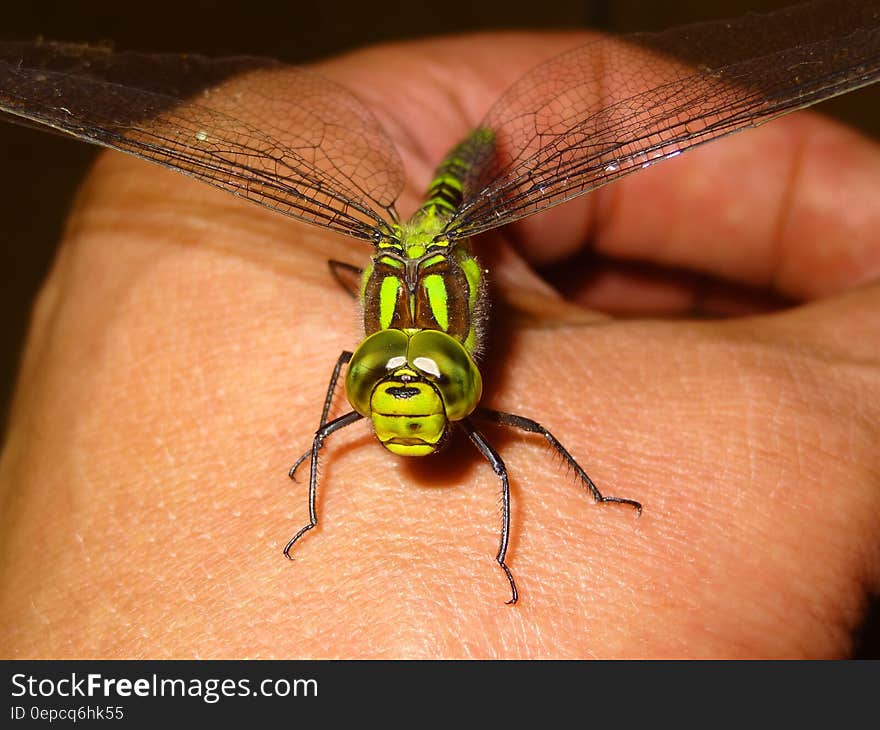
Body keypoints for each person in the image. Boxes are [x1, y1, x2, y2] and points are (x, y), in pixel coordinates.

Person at [0, 32, 878, 658]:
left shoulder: (462, 329)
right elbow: (351, 366)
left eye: (434, 381)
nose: (404, 404)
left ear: (468, 354)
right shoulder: (369, 366)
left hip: (473, 176)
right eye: (389, 384)